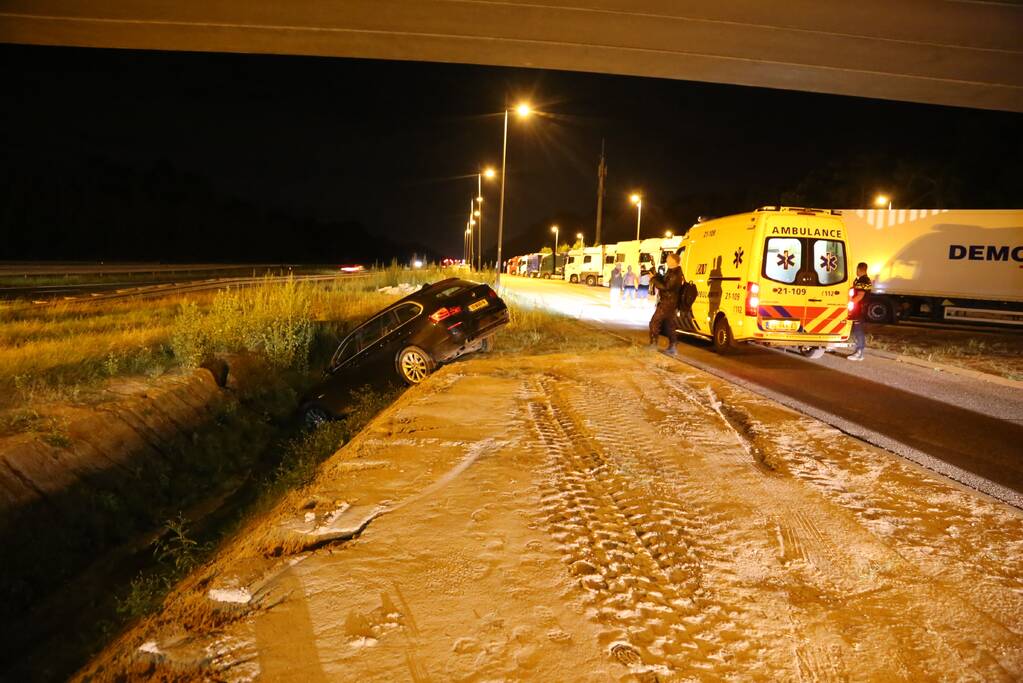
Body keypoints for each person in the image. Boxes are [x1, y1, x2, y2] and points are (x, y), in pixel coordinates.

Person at [648, 253, 684, 356]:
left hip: (668, 302)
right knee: (669, 325)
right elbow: (665, 281)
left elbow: (666, 286)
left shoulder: (676, 273)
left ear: (673, 261)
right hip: (669, 302)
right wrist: (656, 276)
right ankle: (673, 346)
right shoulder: (672, 271)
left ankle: (653, 344)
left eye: (668, 259)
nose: (666, 260)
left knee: (654, 321)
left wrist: (653, 279)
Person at [848, 261, 872, 361]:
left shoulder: (863, 280)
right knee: (858, 330)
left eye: (856, 270)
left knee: (858, 331)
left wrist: (849, 302)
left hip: (860, 310)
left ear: (859, 269)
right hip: (861, 309)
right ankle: (858, 351)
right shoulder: (863, 280)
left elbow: (860, 295)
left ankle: (859, 353)